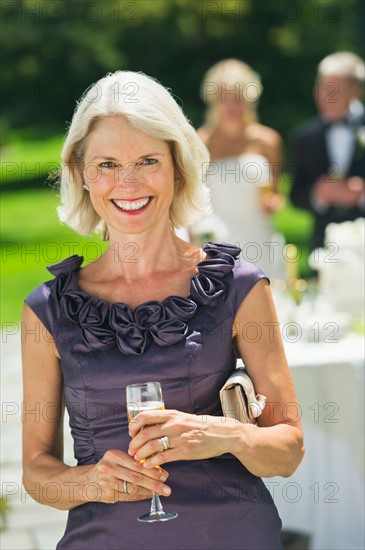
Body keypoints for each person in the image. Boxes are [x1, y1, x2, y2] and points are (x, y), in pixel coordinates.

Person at [22, 70, 304, 550]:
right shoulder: (47, 310)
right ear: (81, 173)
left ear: (178, 166)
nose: (127, 183)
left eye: (147, 160)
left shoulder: (239, 286)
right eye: (107, 164)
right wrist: (89, 482)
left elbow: (289, 451)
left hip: (232, 536)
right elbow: (35, 472)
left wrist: (225, 435)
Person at [193, 58, 285, 279]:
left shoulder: (268, 141)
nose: (231, 106)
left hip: (260, 239)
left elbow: (275, 194)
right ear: (213, 101)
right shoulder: (200, 142)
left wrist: (273, 202)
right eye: (224, 99)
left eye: (238, 98)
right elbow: (192, 198)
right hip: (217, 244)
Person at [290, 51, 365, 250]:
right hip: (324, 248)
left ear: (356, 90)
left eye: (334, 90)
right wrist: (318, 193)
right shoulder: (304, 138)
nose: (326, 98)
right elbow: (296, 196)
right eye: (322, 89)